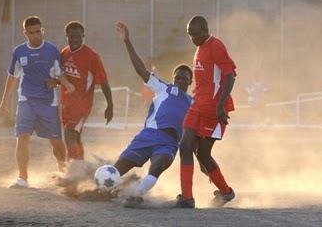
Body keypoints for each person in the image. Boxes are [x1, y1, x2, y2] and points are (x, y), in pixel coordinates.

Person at [114, 21, 193, 206]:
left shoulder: (193, 102)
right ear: (173, 78)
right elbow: (141, 70)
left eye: (185, 77)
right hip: (148, 135)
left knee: (157, 166)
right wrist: (127, 41)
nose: (181, 79)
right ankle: (98, 188)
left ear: (191, 80)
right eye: (178, 76)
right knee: (117, 169)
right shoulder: (163, 88)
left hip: (169, 142)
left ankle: (136, 195)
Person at [0, 15, 75, 188]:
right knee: (22, 138)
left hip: (49, 104)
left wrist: (66, 83)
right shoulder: (18, 52)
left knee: (56, 142)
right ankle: (23, 178)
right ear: (25, 33)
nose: (36, 35)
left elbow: (60, 73)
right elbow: (12, 77)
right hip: (26, 101)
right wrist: (5, 101)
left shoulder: (52, 50)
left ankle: (63, 172)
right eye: (31, 32)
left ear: (43, 31)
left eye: (38, 31)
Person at [175, 15, 237, 208]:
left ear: (205, 29)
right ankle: (187, 198)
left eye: (195, 34)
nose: (192, 38)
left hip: (213, 109)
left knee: (203, 154)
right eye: (190, 35)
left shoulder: (216, 46)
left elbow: (230, 76)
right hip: (197, 106)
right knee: (185, 147)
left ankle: (226, 192)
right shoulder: (199, 48)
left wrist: (220, 105)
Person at [59, 21, 113, 160]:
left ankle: (72, 171)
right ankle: (80, 166)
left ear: (83, 36)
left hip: (82, 105)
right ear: (67, 36)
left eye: (78, 37)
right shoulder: (63, 53)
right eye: (72, 37)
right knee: (75, 136)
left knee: (69, 134)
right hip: (66, 104)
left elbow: (105, 82)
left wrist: (110, 105)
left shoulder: (92, 56)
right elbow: (60, 76)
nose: (75, 40)